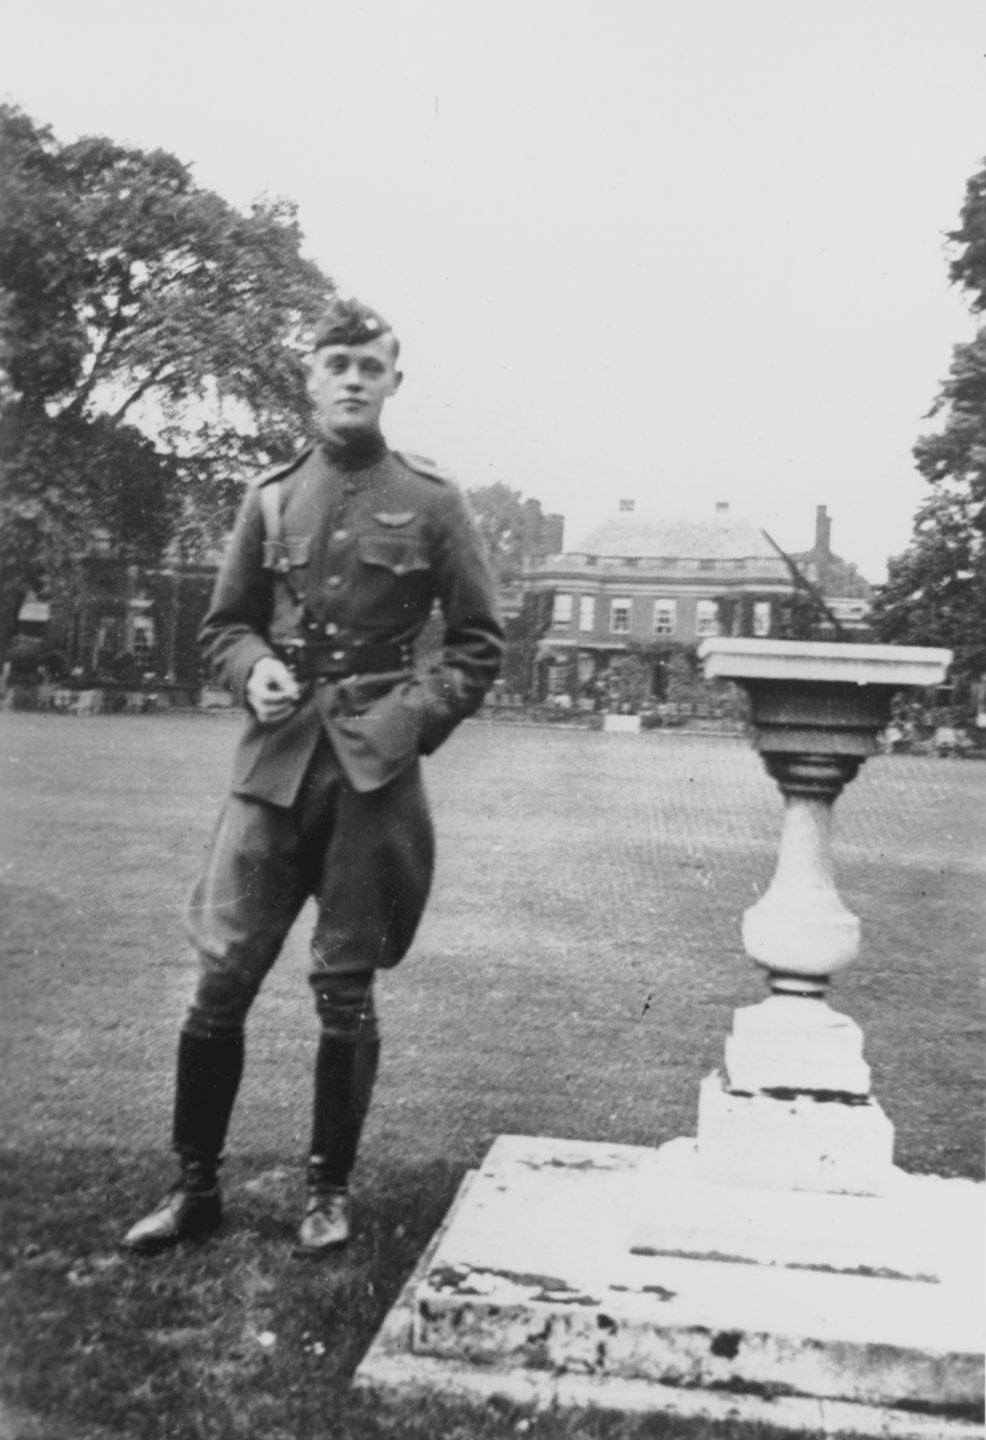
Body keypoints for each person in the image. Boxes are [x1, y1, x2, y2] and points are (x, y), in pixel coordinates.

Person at [123, 297, 503, 1257]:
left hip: (371, 782)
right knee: (219, 984)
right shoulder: (269, 497)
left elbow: (475, 645)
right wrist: (253, 669)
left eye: (368, 366)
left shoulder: (434, 501)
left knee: (346, 992)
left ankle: (328, 1194)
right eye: (334, 362)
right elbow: (223, 625)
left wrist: (409, 719)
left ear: (393, 381)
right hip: (272, 772)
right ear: (309, 376)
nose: (350, 379)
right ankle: (194, 1186)